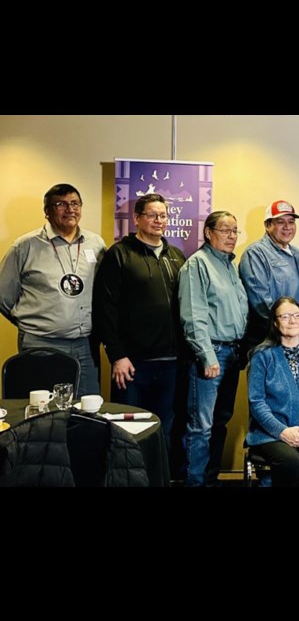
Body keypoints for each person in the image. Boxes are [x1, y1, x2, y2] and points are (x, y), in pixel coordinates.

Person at [93, 193, 186, 449]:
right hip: (132, 364)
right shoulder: (119, 254)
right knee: (129, 433)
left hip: (171, 362)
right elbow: (105, 309)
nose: (159, 220)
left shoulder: (176, 256)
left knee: (164, 432)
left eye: (163, 215)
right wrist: (117, 355)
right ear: (137, 218)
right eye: (152, 215)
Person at [0, 183, 106, 397]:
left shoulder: (95, 244)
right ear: (47, 211)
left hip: (85, 344)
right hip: (41, 342)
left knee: (86, 409)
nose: (70, 209)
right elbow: (4, 297)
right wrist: (33, 322)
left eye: (75, 203)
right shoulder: (25, 246)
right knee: (42, 410)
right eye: (61, 204)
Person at [178, 211, 248, 487]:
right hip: (211, 354)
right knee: (201, 426)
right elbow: (193, 316)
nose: (232, 236)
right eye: (225, 230)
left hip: (231, 354)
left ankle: (210, 479)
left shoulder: (229, 265)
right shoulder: (198, 265)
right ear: (208, 232)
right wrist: (207, 356)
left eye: (235, 231)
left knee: (220, 423)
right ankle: (195, 483)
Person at [246, 297, 299, 487]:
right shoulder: (262, 356)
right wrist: (282, 431)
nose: (292, 321)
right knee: (289, 460)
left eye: (296, 315)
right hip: (271, 433)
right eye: (285, 317)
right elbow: (257, 402)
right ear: (275, 323)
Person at [238, 200, 299, 358]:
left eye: (291, 222)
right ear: (267, 225)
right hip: (271, 344)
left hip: (298, 341)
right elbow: (261, 305)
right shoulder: (255, 254)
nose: (287, 227)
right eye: (280, 222)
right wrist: (284, 334)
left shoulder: (297, 254)